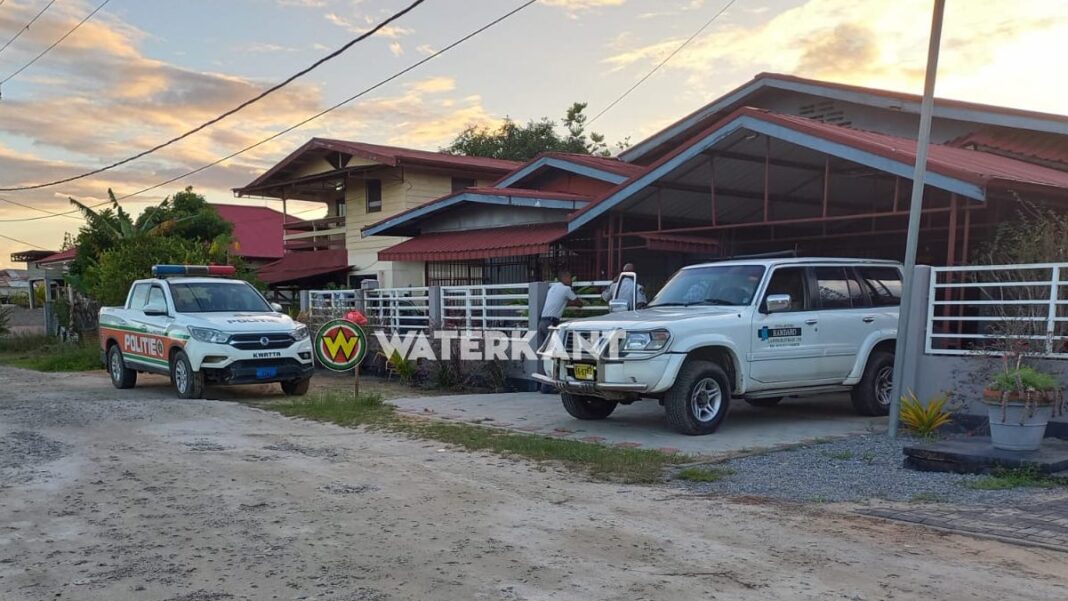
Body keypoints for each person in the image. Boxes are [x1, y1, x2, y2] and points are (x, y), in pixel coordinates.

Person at [537, 269, 584, 392]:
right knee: (556, 355)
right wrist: (574, 301)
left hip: (542, 323)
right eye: (569, 278)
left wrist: (566, 302)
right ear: (564, 278)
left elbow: (559, 301)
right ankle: (550, 386)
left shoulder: (554, 287)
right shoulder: (566, 289)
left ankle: (545, 385)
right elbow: (579, 303)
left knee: (547, 355)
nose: (571, 280)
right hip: (551, 324)